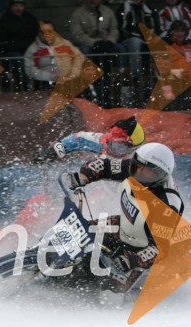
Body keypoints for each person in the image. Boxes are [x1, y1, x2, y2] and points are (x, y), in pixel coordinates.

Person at [60, 142, 183, 293]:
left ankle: (76, 295)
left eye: (147, 173)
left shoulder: (167, 205)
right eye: (136, 167)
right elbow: (104, 165)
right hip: (126, 226)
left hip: (143, 249)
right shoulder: (136, 168)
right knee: (79, 231)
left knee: (110, 287)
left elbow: (161, 248)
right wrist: (83, 176)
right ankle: (44, 254)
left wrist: (131, 260)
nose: (138, 174)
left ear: (161, 175)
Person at [34, 116, 146, 163]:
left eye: (119, 146)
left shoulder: (141, 157)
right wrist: (57, 149)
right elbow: (79, 138)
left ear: (132, 148)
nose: (112, 148)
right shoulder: (104, 142)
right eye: (110, 143)